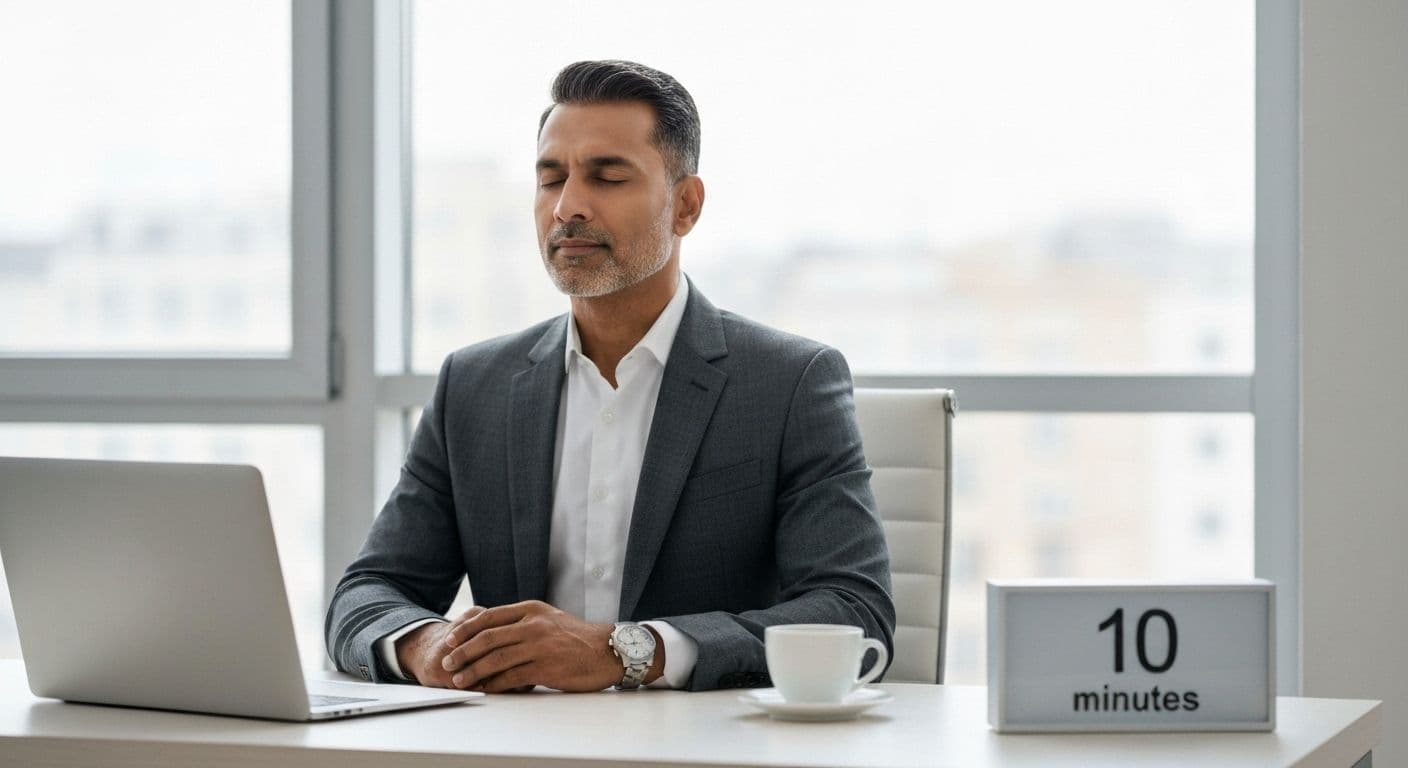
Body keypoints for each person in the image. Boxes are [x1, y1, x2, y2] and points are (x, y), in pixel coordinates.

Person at [325, 60, 894, 693]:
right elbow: (367, 595)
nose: (568, 206)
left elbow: (853, 610)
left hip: (707, 751)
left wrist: (628, 650)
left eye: (607, 176)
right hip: (513, 747)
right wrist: (427, 644)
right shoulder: (473, 385)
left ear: (685, 205)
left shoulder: (790, 383)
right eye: (551, 179)